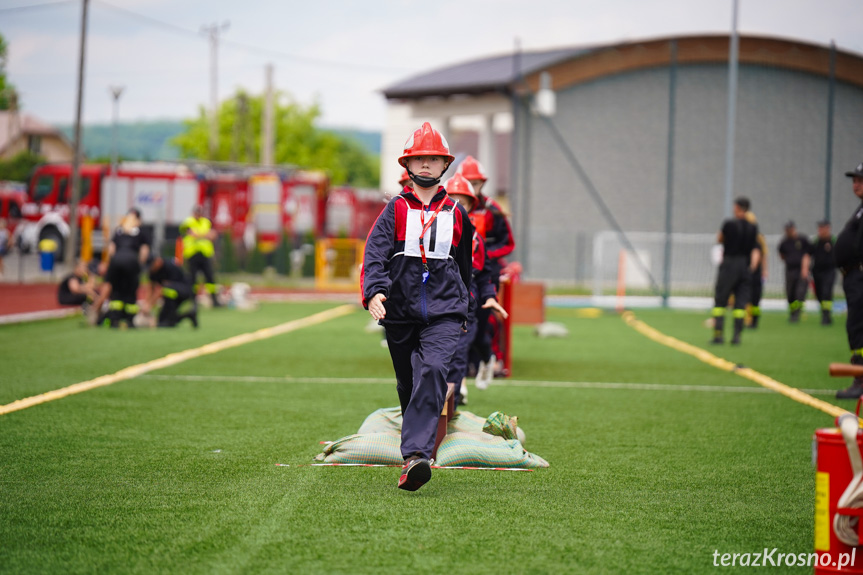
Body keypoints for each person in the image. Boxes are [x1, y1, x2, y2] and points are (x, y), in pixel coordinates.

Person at [362, 122, 474, 491]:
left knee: (432, 370)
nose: (426, 164)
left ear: (444, 166)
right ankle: (416, 442)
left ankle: (414, 456)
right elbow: (375, 254)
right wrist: (375, 292)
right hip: (400, 312)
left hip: (445, 313)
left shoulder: (457, 213)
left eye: (433, 159)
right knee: (408, 382)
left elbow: (465, 264)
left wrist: (464, 308)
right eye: (419, 159)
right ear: (408, 166)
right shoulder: (394, 210)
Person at [442, 173, 508, 405]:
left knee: (461, 349)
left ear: (471, 206)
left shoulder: (476, 240)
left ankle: (455, 396)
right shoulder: (430, 234)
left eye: (463, 202)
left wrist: (489, 296)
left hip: (468, 303)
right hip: (436, 303)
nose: (457, 206)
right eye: (451, 200)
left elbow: (484, 274)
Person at [457, 156, 515, 386]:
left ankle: (488, 358)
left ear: (483, 183)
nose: (472, 187)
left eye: (476, 182)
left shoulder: (492, 210)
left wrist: (483, 254)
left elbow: (508, 243)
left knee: (481, 322)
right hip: (456, 274)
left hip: (484, 274)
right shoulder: (449, 206)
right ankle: (466, 368)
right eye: (467, 182)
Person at [710, 197, 760, 345]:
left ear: (737, 207)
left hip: (730, 264)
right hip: (744, 265)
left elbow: (720, 239)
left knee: (721, 300)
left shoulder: (729, 224)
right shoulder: (753, 228)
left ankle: (718, 335)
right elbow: (754, 247)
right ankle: (737, 336)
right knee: (741, 303)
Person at [92, 207, 150, 328]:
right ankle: (129, 320)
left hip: (117, 260)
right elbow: (144, 251)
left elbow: (111, 249)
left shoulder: (119, 230)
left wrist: (109, 263)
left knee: (116, 290)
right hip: (131, 261)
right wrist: (139, 265)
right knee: (130, 290)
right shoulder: (141, 231)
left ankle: (114, 318)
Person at [834, 161, 863, 399]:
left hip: (859, 276)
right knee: (856, 326)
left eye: (860, 180)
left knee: (858, 327)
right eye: (854, 180)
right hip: (853, 276)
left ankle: (860, 380)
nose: (855, 184)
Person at [180, 204, 221, 307]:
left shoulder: (206, 222)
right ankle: (193, 301)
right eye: (196, 212)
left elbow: (213, 235)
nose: (198, 214)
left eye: (200, 212)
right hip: (192, 253)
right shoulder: (188, 222)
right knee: (193, 279)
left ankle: (214, 300)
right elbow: (192, 234)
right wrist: (205, 235)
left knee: (210, 278)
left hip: (205, 254)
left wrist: (200, 235)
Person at [143, 255, 198, 328]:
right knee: (163, 320)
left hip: (184, 290)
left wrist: (150, 305)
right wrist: (146, 303)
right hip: (171, 294)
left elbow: (161, 290)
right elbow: (151, 288)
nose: (151, 268)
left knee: (167, 289)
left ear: (158, 261)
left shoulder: (169, 266)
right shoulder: (153, 271)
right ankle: (189, 315)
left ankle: (170, 319)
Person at [778, 220, 812, 323]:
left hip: (801, 270)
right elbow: (782, 255)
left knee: (800, 292)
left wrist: (805, 269)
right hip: (790, 270)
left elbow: (807, 255)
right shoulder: (784, 242)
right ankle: (792, 312)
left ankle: (797, 313)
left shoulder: (802, 240)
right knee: (790, 292)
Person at [745, 211, 768, 329]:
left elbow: (760, 255)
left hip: (752, 274)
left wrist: (763, 270)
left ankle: (753, 321)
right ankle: (749, 320)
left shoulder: (757, 240)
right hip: (748, 273)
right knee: (749, 298)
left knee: (754, 298)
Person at [811, 220, 837, 326]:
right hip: (817, 271)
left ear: (828, 228)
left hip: (829, 271)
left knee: (827, 292)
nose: (821, 231)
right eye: (819, 228)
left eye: (823, 228)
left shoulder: (834, 241)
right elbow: (808, 255)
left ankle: (826, 315)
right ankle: (824, 312)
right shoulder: (816, 242)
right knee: (819, 293)